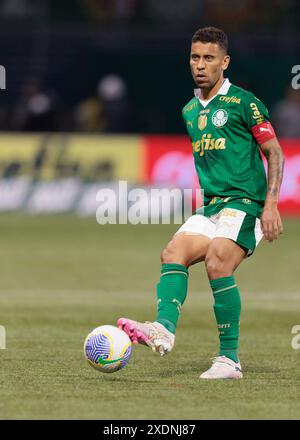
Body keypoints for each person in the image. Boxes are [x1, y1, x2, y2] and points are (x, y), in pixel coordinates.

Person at [117, 27, 285, 379]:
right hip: (212, 206)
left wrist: (270, 204)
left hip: (246, 204)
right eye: (195, 57)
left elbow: (274, 153)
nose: (200, 65)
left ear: (224, 62)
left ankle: (229, 360)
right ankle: (163, 329)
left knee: (217, 261)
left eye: (209, 58)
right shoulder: (190, 110)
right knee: (173, 252)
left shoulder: (244, 102)